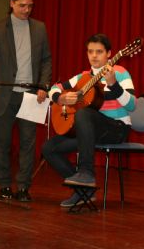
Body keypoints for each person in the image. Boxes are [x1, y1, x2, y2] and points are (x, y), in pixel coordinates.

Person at [42, 33, 136, 207]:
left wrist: (113, 84)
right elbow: (55, 88)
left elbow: (132, 105)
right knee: (49, 148)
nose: (94, 55)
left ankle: (86, 173)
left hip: (116, 129)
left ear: (109, 54)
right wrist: (60, 99)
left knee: (84, 114)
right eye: (90, 51)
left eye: (99, 51)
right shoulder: (82, 78)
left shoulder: (120, 73)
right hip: (90, 132)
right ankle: (84, 190)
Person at [0, 0, 52, 202]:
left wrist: (43, 85)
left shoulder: (39, 28)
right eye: (22, 5)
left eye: (30, 5)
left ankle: (23, 187)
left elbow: (46, 59)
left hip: (30, 94)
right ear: (11, 3)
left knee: (28, 143)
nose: (26, 9)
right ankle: (4, 185)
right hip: (4, 93)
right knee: (2, 143)